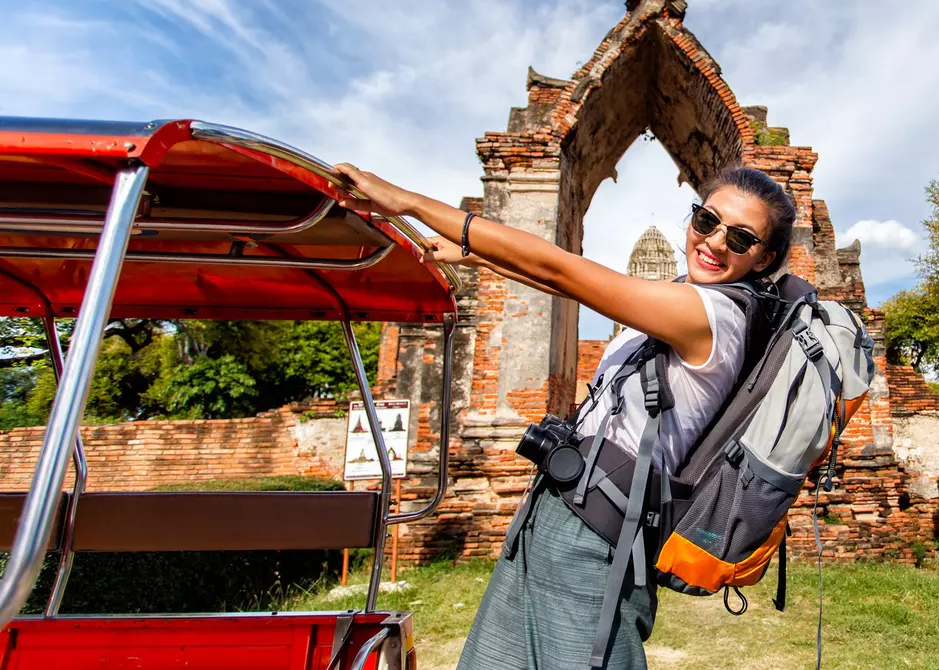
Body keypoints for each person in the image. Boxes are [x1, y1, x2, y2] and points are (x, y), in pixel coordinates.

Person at [333, 162, 796, 669]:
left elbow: (561, 269)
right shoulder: (680, 303)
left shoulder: (715, 314)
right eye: (706, 221)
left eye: (742, 237)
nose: (715, 241)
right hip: (556, 510)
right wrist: (478, 258)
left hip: (596, 536)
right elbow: (566, 284)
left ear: (763, 258)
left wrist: (408, 201)